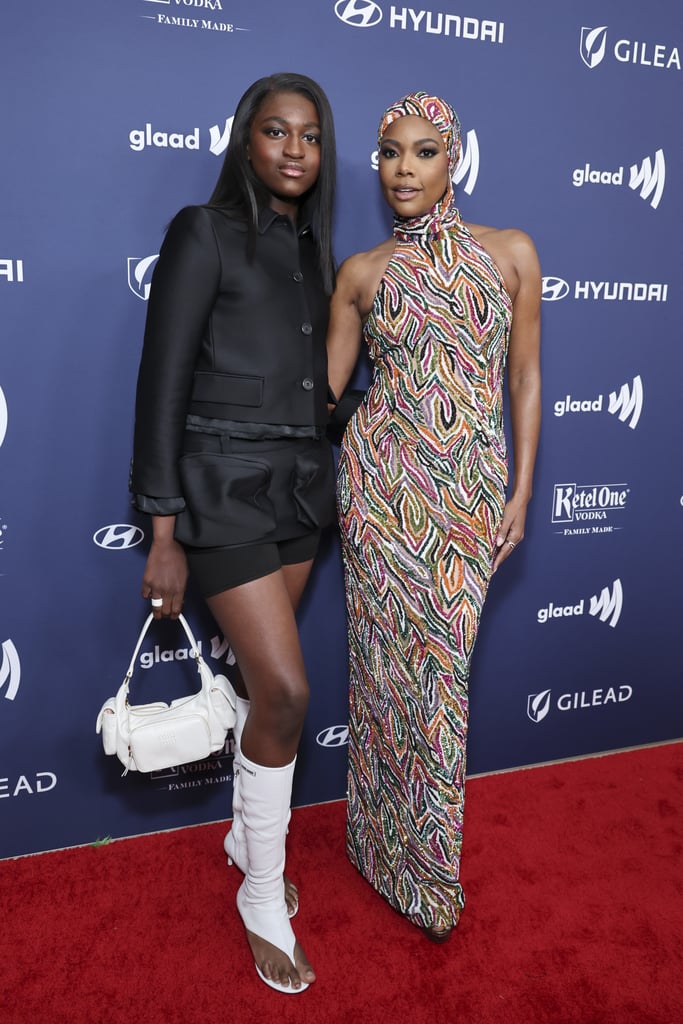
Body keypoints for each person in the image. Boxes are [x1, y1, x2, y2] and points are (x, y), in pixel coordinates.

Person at [130, 72, 337, 993]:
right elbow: (161, 385)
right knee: (288, 694)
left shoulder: (313, 250)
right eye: (275, 132)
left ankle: (238, 832)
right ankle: (260, 888)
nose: (294, 149)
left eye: (309, 136)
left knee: (265, 693)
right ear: (245, 142)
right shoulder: (202, 230)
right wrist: (163, 531)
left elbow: (313, 390)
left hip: (299, 492)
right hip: (220, 491)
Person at [326, 92, 541, 941]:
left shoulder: (511, 254)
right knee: (382, 677)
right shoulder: (362, 272)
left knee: (438, 683)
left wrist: (520, 490)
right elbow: (325, 395)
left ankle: (429, 875)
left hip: (469, 495)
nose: (403, 169)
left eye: (421, 152)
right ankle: (377, 849)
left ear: (453, 160)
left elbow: (521, 379)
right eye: (389, 153)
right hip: (381, 495)